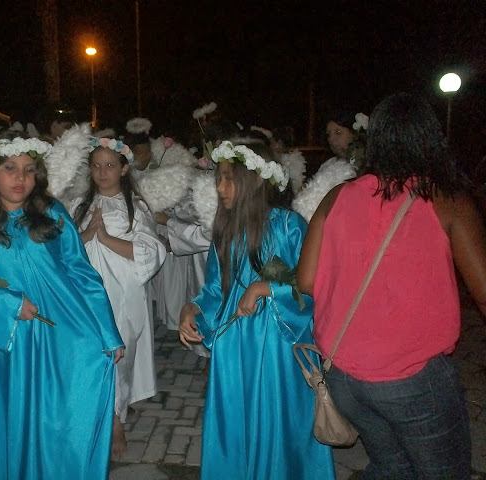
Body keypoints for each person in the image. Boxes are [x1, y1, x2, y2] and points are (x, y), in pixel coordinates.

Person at [297, 93, 486, 479]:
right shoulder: (447, 201)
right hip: (413, 380)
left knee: (391, 466)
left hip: (342, 375)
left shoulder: (337, 196)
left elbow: (306, 281)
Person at [0, 133, 125, 480]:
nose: (20, 178)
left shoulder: (51, 212)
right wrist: (6, 304)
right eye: (10, 168)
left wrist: (107, 331)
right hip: (4, 342)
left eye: (28, 169)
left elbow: (81, 272)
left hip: (59, 331)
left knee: (60, 410)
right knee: (10, 413)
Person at [179, 141, 335, 479]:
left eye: (229, 179)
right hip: (234, 352)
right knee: (237, 424)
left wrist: (266, 288)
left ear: (257, 179)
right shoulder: (225, 232)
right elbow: (214, 291)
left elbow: (315, 286)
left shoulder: (289, 226)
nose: (220, 188)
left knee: (277, 424)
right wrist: (192, 310)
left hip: (279, 353)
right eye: (218, 179)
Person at [70, 137, 165, 458]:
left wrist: (106, 238)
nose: (102, 171)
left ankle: (116, 419)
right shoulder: (77, 205)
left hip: (123, 293)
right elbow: (63, 249)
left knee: (119, 353)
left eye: (110, 165)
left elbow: (151, 250)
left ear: (124, 169)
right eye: (96, 165)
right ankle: (102, 411)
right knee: (90, 353)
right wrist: (86, 235)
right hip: (85, 294)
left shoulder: (135, 207)